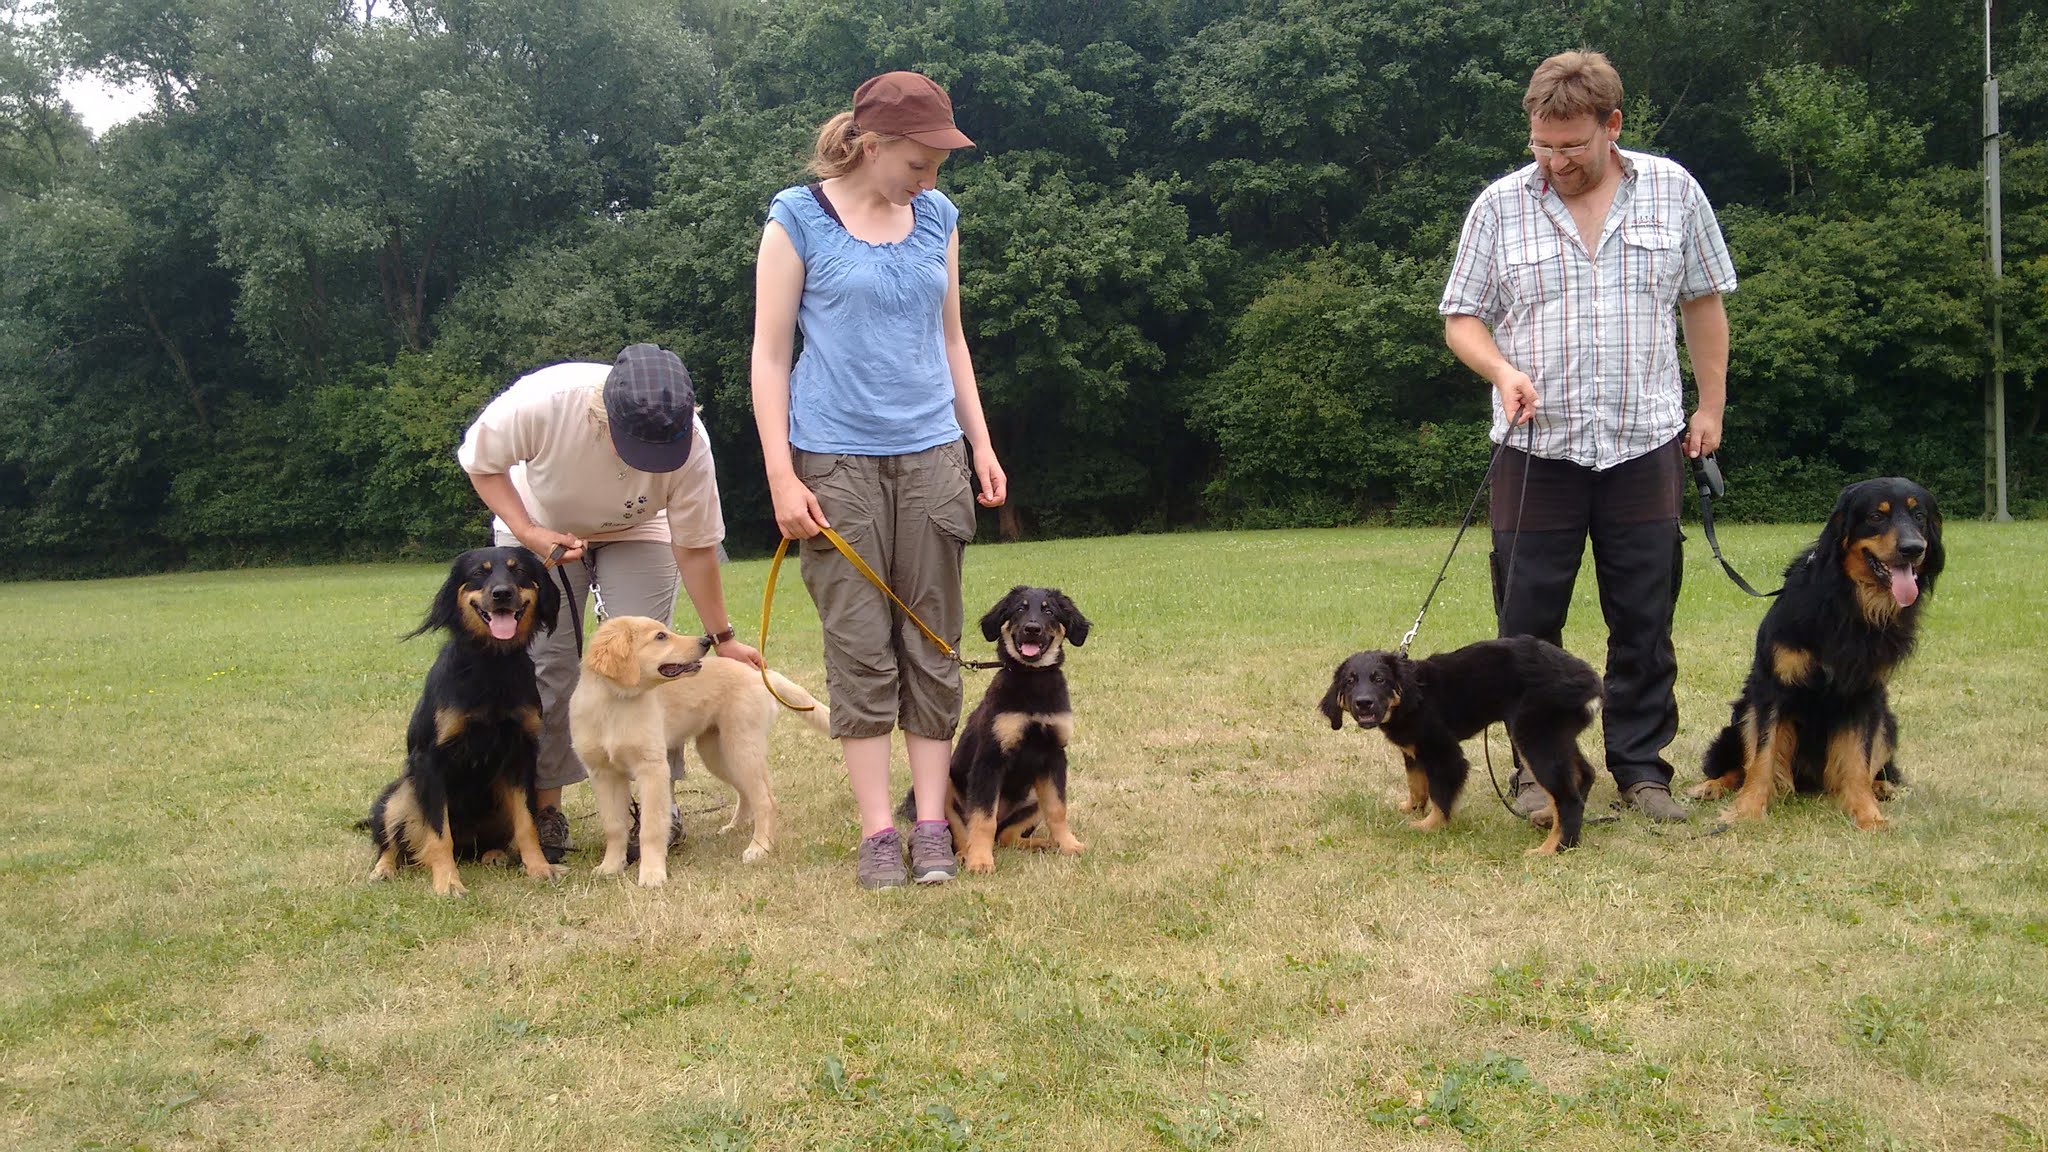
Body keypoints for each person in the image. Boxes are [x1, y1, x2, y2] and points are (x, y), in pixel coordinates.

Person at [1439, 50, 1736, 823]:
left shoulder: (1673, 191)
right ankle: (1538, 774)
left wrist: (1710, 407)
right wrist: (1501, 369)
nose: (1555, 161)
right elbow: (1461, 318)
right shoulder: (1499, 206)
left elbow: (1704, 303)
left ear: (1612, 126)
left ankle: (1642, 771)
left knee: (1644, 620)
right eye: (1542, 145)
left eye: (1571, 145)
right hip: (1535, 450)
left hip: (1644, 442)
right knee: (1526, 630)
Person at [750, 70, 1007, 889]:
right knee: (860, 650)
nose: (927, 181)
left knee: (933, 644)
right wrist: (781, 475)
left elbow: (952, 340)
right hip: (834, 464)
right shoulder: (797, 220)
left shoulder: (939, 219)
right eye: (918, 164)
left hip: (933, 455)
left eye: (937, 168)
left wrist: (980, 442)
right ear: (871, 144)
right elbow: (769, 356)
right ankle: (877, 837)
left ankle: (931, 827)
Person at [458, 343, 765, 861]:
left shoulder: (693, 441)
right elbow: (480, 463)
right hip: (540, 523)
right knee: (549, 667)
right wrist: (529, 532)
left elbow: (695, 548)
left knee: (650, 665)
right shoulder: (543, 403)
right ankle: (546, 809)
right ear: (603, 416)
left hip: (641, 528)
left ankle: (657, 803)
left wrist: (723, 637)